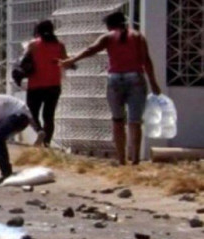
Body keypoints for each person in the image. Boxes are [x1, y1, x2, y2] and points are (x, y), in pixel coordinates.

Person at [61, 11, 161, 165]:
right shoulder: (137, 36)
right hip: (136, 79)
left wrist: (71, 60)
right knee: (135, 122)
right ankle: (135, 160)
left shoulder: (107, 37)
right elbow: (146, 60)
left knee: (117, 120)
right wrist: (153, 83)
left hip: (114, 80)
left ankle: (121, 160)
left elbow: (90, 50)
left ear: (110, 25)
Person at [23, 20, 68, 147]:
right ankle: (46, 144)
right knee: (49, 116)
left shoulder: (33, 45)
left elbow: (23, 60)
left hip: (35, 85)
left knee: (31, 113)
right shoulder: (60, 45)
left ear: (38, 31)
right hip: (54, 85)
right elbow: (66, 61)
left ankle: (39, 131)